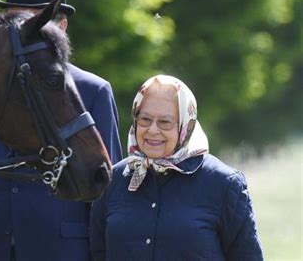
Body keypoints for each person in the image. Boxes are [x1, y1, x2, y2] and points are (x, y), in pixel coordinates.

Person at [0, 0, 123, 261]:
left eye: (34, 23)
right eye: (14, 24)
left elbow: (106, 196)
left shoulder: (94, 92)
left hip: (62, 253)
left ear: (62, 27)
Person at [90, 75, 263, 260]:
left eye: (165, 122)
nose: (153, 130)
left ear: (185, 126)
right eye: (145, 119)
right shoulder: (113, 180)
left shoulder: (225, 184)